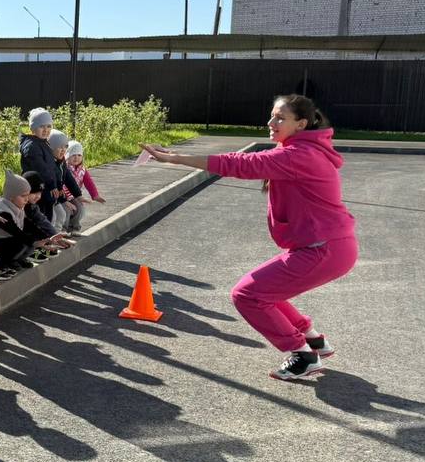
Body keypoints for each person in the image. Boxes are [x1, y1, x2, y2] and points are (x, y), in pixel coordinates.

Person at [142, 94, 357, 381]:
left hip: (323, 248)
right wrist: (174, 155)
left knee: (247, 295)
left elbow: (239, 164)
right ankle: (312, 340)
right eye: (272, 116)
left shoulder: (298, 155)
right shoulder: (301, 150)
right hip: (326, 246)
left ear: (301, 124)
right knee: (264, 291)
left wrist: (175, 158)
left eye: (280, 118)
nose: (271, 122)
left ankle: (303, 355)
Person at [19, 108, 59, 223]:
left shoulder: (43, 143)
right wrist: (52, 184)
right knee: (39, 219)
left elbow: (51, 166)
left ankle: (48, 234)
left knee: (47, 218)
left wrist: (56, 184)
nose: (46, 130)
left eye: (49, 126)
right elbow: (41, 169)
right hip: (36, 190)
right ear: (33, 128)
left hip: (45, 189)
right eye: (41, 126)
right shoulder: (32, 146)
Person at [47, 129, 83, 233]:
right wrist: (64, 201)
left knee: (79, 207)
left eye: (65, 147)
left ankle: (72, 229)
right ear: (51, 147)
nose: (63, 150)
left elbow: (68, 178)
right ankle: (60, 233)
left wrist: (78, 195)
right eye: (60, 147)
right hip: (51, 197)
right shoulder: (49, 163)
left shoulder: (61, 161)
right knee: (63, 212)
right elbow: (54, 184)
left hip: (60, 196)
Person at [64, 138, 104, 231]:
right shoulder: (64, 168)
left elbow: (89, 183)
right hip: (64, 196)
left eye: (79, 155)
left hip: (75, 196)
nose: (76, 158)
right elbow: (61, 184)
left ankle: (74, 227)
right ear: (67, 156)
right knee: (67, 211)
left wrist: (95, 195)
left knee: (80, 210)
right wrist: (66, 198)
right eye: (73, 155)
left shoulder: (82, 170)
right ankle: (63, 229)